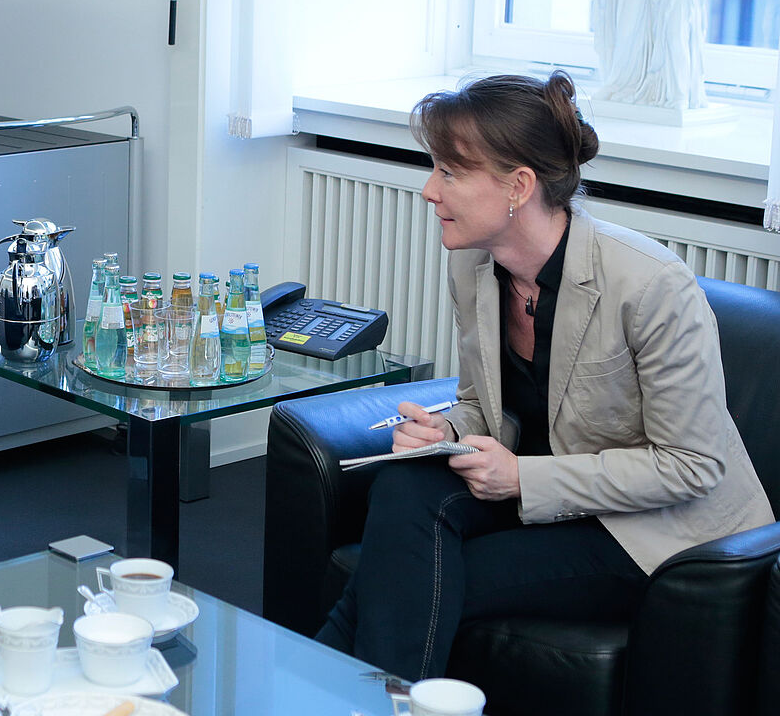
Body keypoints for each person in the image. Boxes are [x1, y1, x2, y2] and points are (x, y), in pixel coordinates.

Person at [314, 71, 774, 681]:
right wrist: (444, 429)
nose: (429, 191)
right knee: (401, 490)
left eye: (449, 172)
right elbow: (484, 405)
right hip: (548, 492)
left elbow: (691, 465)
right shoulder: (475, 267)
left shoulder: (650, 284)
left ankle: (300, 691)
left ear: (518, 186)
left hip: (653, 529)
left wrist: (521, 476)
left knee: (403, 577)